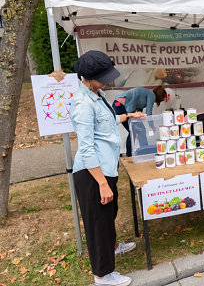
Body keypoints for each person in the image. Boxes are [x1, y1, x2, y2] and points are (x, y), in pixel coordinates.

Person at [71, 50, 146, 286]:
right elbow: (86, 148)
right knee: (98, 224)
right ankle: (103, 275)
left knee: (108, 215)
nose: (108, 80)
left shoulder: (98, 94)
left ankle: (113, 246)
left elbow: (107, 121)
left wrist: (130, 115)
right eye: (103, 77)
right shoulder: (82, 103)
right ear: (88, 77)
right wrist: (102, 183)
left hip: (106, 168)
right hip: (93, 173)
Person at [112, 86, 167, 156]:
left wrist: (139, 119)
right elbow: (149, 112)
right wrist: (152, 126)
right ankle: (141, 153)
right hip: (121, 105)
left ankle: (141, 152)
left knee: (135, 130)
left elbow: (139, 109)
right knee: (135, 131)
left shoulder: (146, 93)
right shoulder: (151, 95)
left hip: (117, 104)